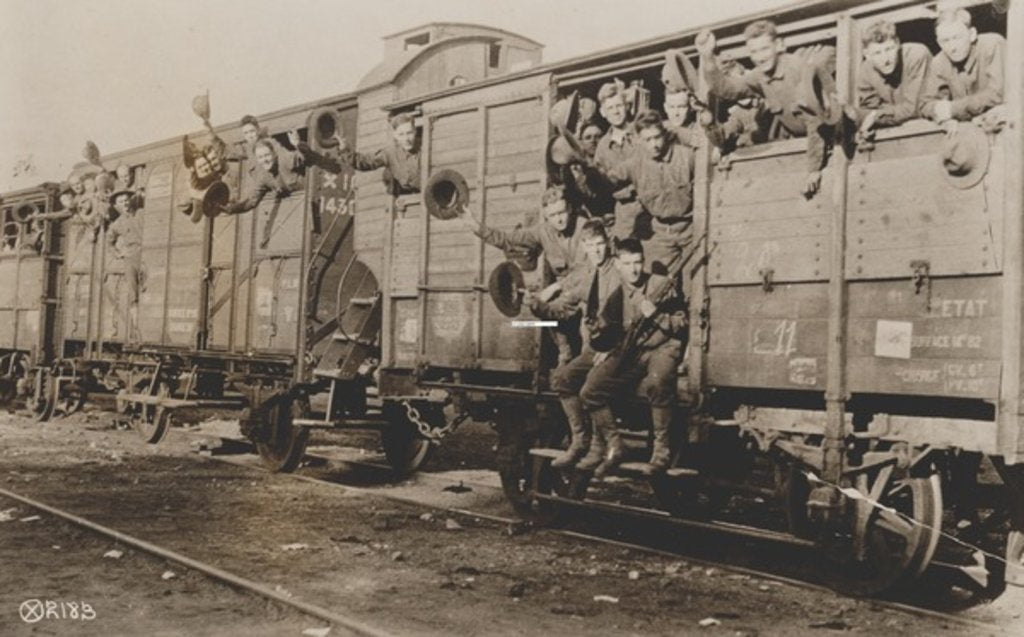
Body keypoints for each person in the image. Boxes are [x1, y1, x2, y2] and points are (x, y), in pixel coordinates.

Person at [577, 238, 687, 477]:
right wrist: (602, 341)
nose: (634, 269)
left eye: (638, 262)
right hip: (634, 351)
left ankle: (661, 452)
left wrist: (657, 315)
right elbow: (608, 329)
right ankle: (615, 445)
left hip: (663, 347)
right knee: (591, 390)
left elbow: (681, 323)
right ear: (618, 265)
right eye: (627, 264)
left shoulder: (661, 284)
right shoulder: (619, 294)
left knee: (658, 383)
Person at [695, 20, 836, 197]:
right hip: (807, 146)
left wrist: (814, 169)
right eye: (754, 51)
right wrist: (707, 57)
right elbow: (727, 90)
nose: (760, 57)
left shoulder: (798, 69)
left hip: (829, 143)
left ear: (778, 45)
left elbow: (815, 121)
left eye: (765, 49)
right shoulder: (760, 75)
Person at [457, 185, 588, 363]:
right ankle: (564, 351)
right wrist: (477, 228)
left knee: (587, 329)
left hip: (586, 288)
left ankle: (587, 358)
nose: (559, 219)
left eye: (562, 212)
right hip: (565, 290)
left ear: (570, 209)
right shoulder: (543, 231)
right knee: (539, 305)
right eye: (553, 215)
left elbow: (584, 271)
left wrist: (557, 286)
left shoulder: (583, 227)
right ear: (546, 216)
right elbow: (509, 239)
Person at [533, 220, 621, 468]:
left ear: (608, 244)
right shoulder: (587, 274)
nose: (596, 250)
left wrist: (612, 348)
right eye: (591, 245)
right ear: (584, 246)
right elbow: (567, 306)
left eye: (600, 244)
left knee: (591, 385)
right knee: (562, 378)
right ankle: (580, 440)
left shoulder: (619, 272)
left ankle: (600, 446)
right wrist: (539, 306)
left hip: (619, 347)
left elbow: (631, 318)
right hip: (597, 347)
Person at [595, 110, 696, 282]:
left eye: (657, 137)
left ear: (665, 135)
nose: (654, 144)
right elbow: (607, 181)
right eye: (647, 140)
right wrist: (590, 174)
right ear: (640, 141)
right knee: (657, 285)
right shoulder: (635, 164)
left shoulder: (687, 157)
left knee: (694, 286)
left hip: (690, 231)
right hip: (660, 234)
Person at [921, 8, 1006, 131]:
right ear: (939, 43)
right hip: (969, 132)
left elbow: (998, 94)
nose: (952, 47)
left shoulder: (992, 45)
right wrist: (944, 119)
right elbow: (926, 104)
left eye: (957, 37)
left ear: (972, 34)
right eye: (945, 41)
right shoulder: (939, 62)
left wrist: (953, 109)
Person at [222, 134, 311, 246]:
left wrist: (298, 144)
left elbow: (304, 157)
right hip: (297, 215)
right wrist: (231, 209)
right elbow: (251, 202)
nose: (265, 160)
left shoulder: (285, 159)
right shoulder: (263, 177)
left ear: (274, 154)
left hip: (311, 198)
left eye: (267, 155)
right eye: (261, 157)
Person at [856, 18, 931, 139]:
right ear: (867, 55)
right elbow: (868, 112)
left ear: (898, 44)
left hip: (927, 130)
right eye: (877, 53)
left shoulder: (916, 55)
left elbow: (915, 108)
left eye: (889, 49)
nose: (885, 59)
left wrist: (877, 116)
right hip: (894, 135)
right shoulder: (865, 72)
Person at [594, 82, 643, 239]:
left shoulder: (641, 132)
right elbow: (602, 185)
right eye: (610, 108)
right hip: (624, 212)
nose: (615, 112)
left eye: (619, 106)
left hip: (650, 205)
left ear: (627, 106)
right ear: (603, 112)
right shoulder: (602, 147)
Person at [333, 112, 420, 194]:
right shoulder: (390, 153)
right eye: (401, 134)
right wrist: (344, 150)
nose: (406, 139)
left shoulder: (425, 147)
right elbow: (365, 162)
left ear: (415, 131)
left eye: (409, 133)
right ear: (395, 135)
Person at [106, 189, 144, 303]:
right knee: (132, 285)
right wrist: (119, 254)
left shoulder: (141, 213)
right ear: (116, 206)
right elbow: (109, 242)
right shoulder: (117, 224)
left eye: (126, 200)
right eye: (121, 202)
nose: (125, 204)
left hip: (148, 250)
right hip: (132, 255)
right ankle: (134, 308)